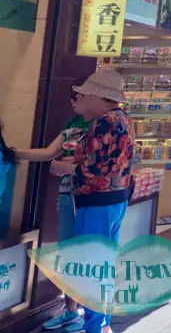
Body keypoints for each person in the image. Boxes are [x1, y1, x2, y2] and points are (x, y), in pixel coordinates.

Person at [68, 68, 135, 333]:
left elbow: (95, 168)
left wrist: (67, 167)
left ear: (97, 96)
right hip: (116, 199)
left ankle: (95, 327)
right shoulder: (124, 119)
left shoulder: (105, 122)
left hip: (97, 201)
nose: (79, 100)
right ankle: (101, 323)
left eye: (82, 94)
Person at [13, 112, 90, 330]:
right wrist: (14, 153)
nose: (74, 101)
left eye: (79, 95)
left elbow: (100, 165)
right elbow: (49, 152)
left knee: (88, 253)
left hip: (91, 197)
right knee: (69, 252)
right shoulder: (73, 122)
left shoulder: (104, 123)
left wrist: (71, 165)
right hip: (67, 194)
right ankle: (71, 310)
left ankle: (90, 314)